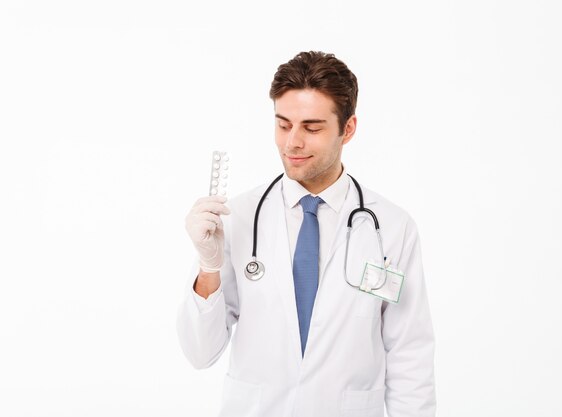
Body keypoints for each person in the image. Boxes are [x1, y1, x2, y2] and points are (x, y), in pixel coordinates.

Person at [177, 51, 435, 417]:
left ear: (348, 129)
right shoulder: (237, 217)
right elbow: (200, 353)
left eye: (311, 128)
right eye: (283, 125)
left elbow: (410, 354)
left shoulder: (392, 227)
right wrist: (208, 266)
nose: (291, 143)